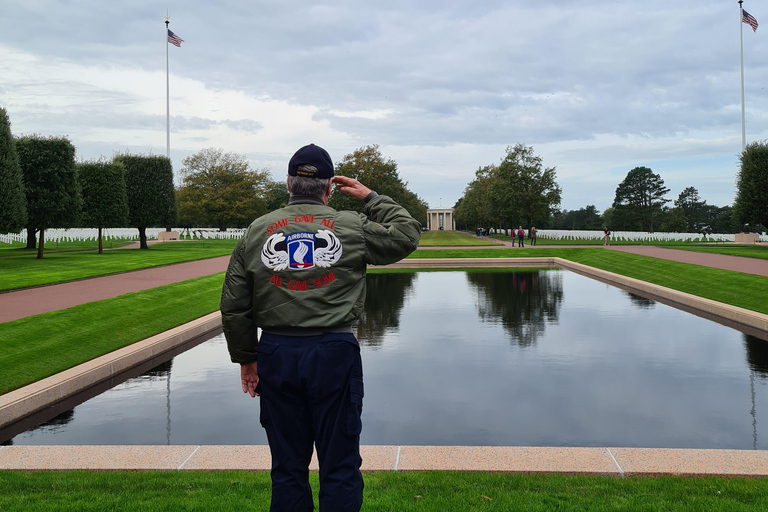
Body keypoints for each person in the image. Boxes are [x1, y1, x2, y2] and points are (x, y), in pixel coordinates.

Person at [220, 143, 421, 512]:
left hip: (277, 353)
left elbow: (234, 304)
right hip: (333, 353)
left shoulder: (258, 230)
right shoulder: (352, 226)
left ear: (288, 184)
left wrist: (247, 359)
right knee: (339, 465)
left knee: (287, 468)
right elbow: (406, 234)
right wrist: (371, 196)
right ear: (329, 188)